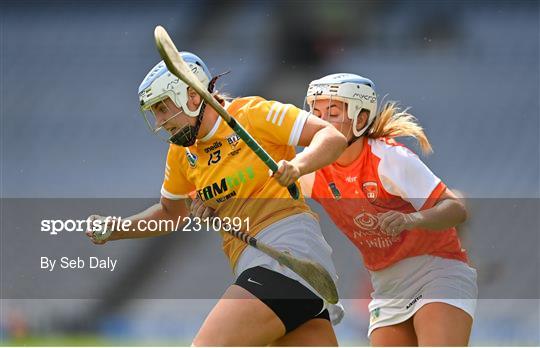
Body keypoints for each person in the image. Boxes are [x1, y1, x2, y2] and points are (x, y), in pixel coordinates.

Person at [85, 52, 348, 346]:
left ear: (192, 97)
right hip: (252, 261)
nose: (160, 122)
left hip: (291, 253)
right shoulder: (182, 154)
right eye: (154, 112)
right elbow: (170, 213)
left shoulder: (253, 115)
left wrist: (298, 166)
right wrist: (118, 229)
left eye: (162, 108)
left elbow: (332, 138)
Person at [298, 73, 478, 346]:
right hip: (386, 287)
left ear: (360, 118)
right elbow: (261, 191)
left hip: (437, 271)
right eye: (316, 112)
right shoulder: (311, 169)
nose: (321, 121)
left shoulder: (389, 159)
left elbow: (455, 208)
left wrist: (412, 219)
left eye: (333, 112)